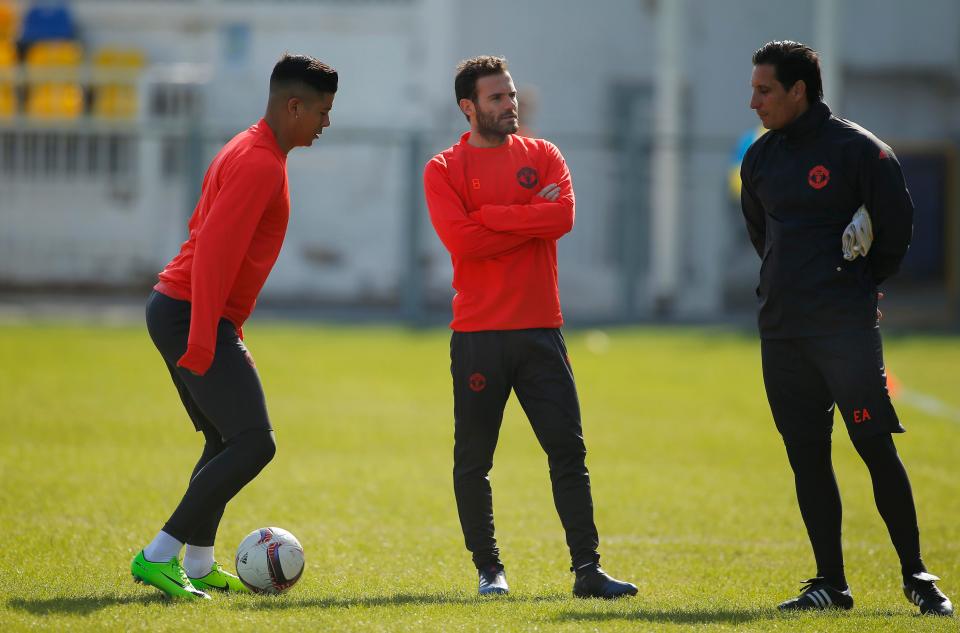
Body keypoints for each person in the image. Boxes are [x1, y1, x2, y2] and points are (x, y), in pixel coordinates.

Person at [740, 40, 953, 617]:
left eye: (764, 90)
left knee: (874, 447)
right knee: (806, 456)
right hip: (782, 331)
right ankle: (829, 583)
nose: (753, 101)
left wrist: (861, 287)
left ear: (798, 91)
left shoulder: (862, 152)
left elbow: (898, 230)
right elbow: (763, 237)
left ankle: (917, 575)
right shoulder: (759, 159)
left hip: (845, 333)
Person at [423, 55, 636, 599]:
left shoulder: (543, 155)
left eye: (511, 95)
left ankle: (587, 570)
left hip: (541, 331)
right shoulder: (443, 169)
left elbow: (560, 218)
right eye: (496, 98)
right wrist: (523, 215)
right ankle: (489, 570)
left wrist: (490, 215)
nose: (509, 105)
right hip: (477, 336)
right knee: (474, 460)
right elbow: (463, 242)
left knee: (568, 451)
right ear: (468, 107)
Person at [130, 53, 337, 600]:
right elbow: (215, 252)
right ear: (294, 106)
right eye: (321, 111)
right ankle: (158, 555)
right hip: (191, 312)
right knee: (254, 443)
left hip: (186, 308)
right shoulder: (259, 162)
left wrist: (220, 326)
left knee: (224, 438)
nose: (326, 123)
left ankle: (197, 564)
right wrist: (205, 336)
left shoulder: (252, 147)